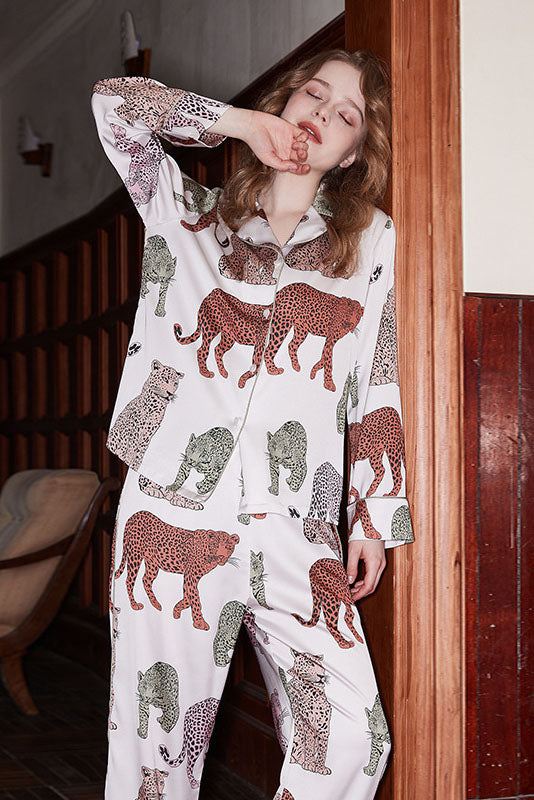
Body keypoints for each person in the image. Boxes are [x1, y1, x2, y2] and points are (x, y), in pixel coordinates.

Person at [91, 46, 415, 800]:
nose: (321, 115)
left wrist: (372, 519)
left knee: (354, 737)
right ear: (285, 101)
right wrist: (237, 123)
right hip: (173, 500)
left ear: (352, 153)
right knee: (154, 755)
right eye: (314, 94)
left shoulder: (370, 241)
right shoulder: (183, 209)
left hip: (296, 521)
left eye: (346, 116)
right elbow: (113, 103)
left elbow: (376, 378)